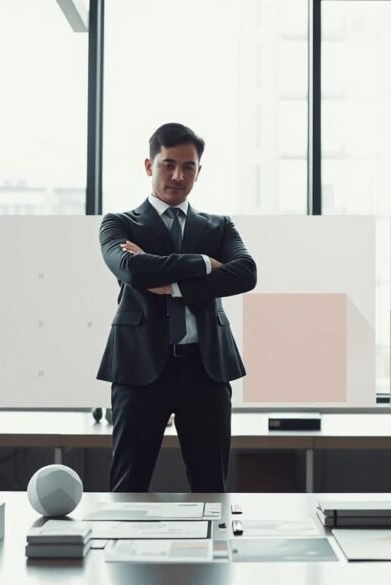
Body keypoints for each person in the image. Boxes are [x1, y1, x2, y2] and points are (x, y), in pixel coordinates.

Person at [97, 122, 257, 493]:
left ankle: (213, 552)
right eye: (168, 164)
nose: (177, 175)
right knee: (128, 486)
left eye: (188, 167)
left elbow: (246, 273)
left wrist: (172, 284)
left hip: (206, 369)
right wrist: (205, 262)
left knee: (210, 486)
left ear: (199, 172)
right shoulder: (120, 223)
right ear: (148, 166)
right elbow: (133, 268)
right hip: (139, 368)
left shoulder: (219, 226)